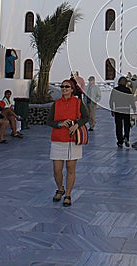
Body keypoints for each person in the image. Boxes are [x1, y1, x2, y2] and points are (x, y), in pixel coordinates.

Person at [46, 79, 88, 207]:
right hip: (58, 139)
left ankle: (68, 194)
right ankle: (60, 188)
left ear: (72, 89)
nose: (64, 88)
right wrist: (59, 124)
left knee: (70, 168)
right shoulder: (56, 104)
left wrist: (77, 125)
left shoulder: (78, 102)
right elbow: (49, 121)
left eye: (67, 86)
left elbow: (85, 117)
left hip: (72, 140)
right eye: (62, 86)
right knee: (57, 169)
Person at [109, 76, 136, 148]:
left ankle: (120, 141)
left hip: (118, 109)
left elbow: (111, 100)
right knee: (127, 125)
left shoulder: (115, 90)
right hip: (126, 109)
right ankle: (126, 136)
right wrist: (134, 109)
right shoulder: (128, 90)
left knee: (119, 126)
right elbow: (131, 100)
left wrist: (112, 109)